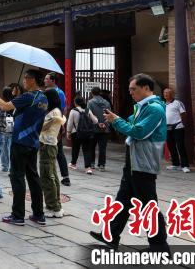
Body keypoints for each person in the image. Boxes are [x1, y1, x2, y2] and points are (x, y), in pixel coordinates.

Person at [90, 73, 169, 253]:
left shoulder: (154, 109)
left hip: (144, 161)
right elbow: (130, 126)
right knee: (123, 200)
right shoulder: (142, 107)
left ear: (146, 88)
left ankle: (160, 246)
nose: (131, 93)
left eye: (134, 89)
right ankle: (110, 236)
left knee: (149, 204)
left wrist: (116, 121)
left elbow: (138, 132)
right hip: (134, 159)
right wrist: (117, 119)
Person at [0, 69, 48, 226]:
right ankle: (38, 214)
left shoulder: (28, 96)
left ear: (33, 80)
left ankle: (18, 215)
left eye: (26, 79)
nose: (24, 81)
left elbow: (4, 107)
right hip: (33, 142)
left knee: (17, 177)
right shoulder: (43, 97)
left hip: (20, 141)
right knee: (33, 177)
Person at [40, 89, 66, 218]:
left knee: (46, 176)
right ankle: (56, 205)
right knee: (52, 176)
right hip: (50, 145)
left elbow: (42, 127)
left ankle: (52, 206)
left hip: (47, 145)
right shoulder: (56, 111)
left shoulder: (54, 113)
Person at [44, 72, 70, 186]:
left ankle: (61, 176)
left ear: (53, 81)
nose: (44, 80)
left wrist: (61, 124)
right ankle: (64, 177)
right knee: (56, 151)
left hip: (53, 125)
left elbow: (63, 109)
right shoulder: (50, 92)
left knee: (55, 151)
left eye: (47, 79)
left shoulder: (58, 93)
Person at [66, 96, 98, 174]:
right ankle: (88, 168)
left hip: (75, 133)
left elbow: (70, 123)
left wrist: (68, 132)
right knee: (87, 150)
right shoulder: (87, 110)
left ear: (76, 103)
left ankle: (73, 164)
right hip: (87, 133)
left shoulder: (73, 111)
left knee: (75, 148)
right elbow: (95, 121)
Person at [163, 87, 190, 173]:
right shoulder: (163, 104)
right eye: (164, 93)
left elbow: (184, 113)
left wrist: (179, 122)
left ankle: (185, 165)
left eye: (168, 92)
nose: (166, 94)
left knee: (180, 146)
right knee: (171, 146)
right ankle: (176, 164)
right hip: (167, 128)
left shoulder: (177, 103)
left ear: (172, 94)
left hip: (178, 127)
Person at [87, 86, 111, 171]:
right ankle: (102, 165)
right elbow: (110, 115)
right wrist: (105, 124)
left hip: (94, 128)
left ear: (92, 93)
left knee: (92, 146)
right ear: (100, 93)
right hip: (104, 129)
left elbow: (89, 115)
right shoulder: (107, 103)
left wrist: (97, 123)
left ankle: (92, 163)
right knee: (102, 148)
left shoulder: (90, 102)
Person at [0, 87, 15, 173]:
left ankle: (5, 166)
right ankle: (11, 167)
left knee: (4, 146)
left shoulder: (3, 102)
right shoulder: (14, 101)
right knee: (10, 146)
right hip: (11, 121)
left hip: (6, 122)